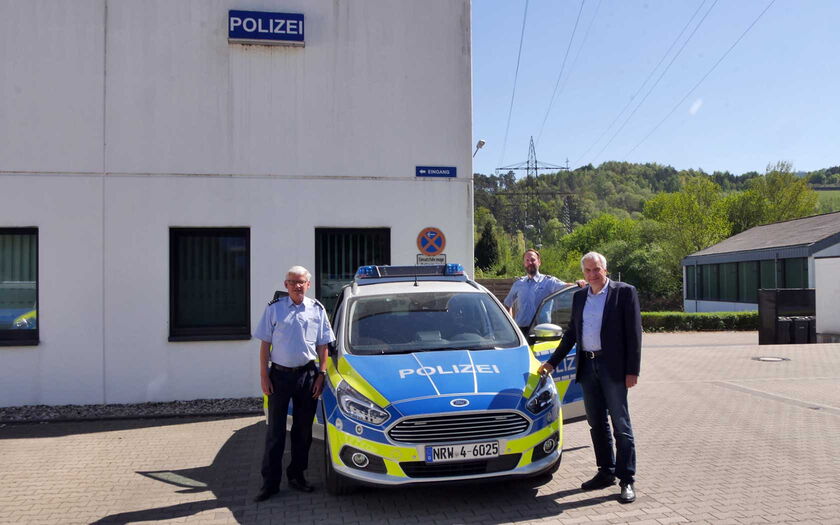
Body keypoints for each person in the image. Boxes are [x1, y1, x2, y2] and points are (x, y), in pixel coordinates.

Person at [538, 251, 641, 504]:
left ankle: (626, 479)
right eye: (588, 271)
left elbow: (634, 334)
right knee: (597, 424)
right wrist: (552, 362)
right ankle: (605, 472)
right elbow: (572, 333)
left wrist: (632, 371)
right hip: (587, 366)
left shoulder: (624, 292)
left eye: (596, 269)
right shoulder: (580, 296)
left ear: (605, 269)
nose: (592, 274)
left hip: (614, 368)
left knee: (621, 425)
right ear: (583, 273)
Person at [253, 266, 335, 502]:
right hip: (278, 376)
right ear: (286, 284)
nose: (297, 286)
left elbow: (323, 347)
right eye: (292, 282)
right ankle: (270, 483)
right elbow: (264, 344)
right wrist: (263, 375)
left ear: (308, 285)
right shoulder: (274, 309)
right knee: (275, 431)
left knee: (303, 431)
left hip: (307, 377)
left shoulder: (317, 310)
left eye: (301, 282)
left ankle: (297, 476)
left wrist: (321, 374)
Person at [504, 249, 584, 334]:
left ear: (539, 262)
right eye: (527, 260)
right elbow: (507, 304)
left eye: (533, 260)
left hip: (542, 331)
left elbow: (566, 287)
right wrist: (510, 325)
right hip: (521, 332)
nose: (530, 263)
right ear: (524, 263)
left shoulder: (549, 281)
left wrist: (578, 283)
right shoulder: (518, 283)